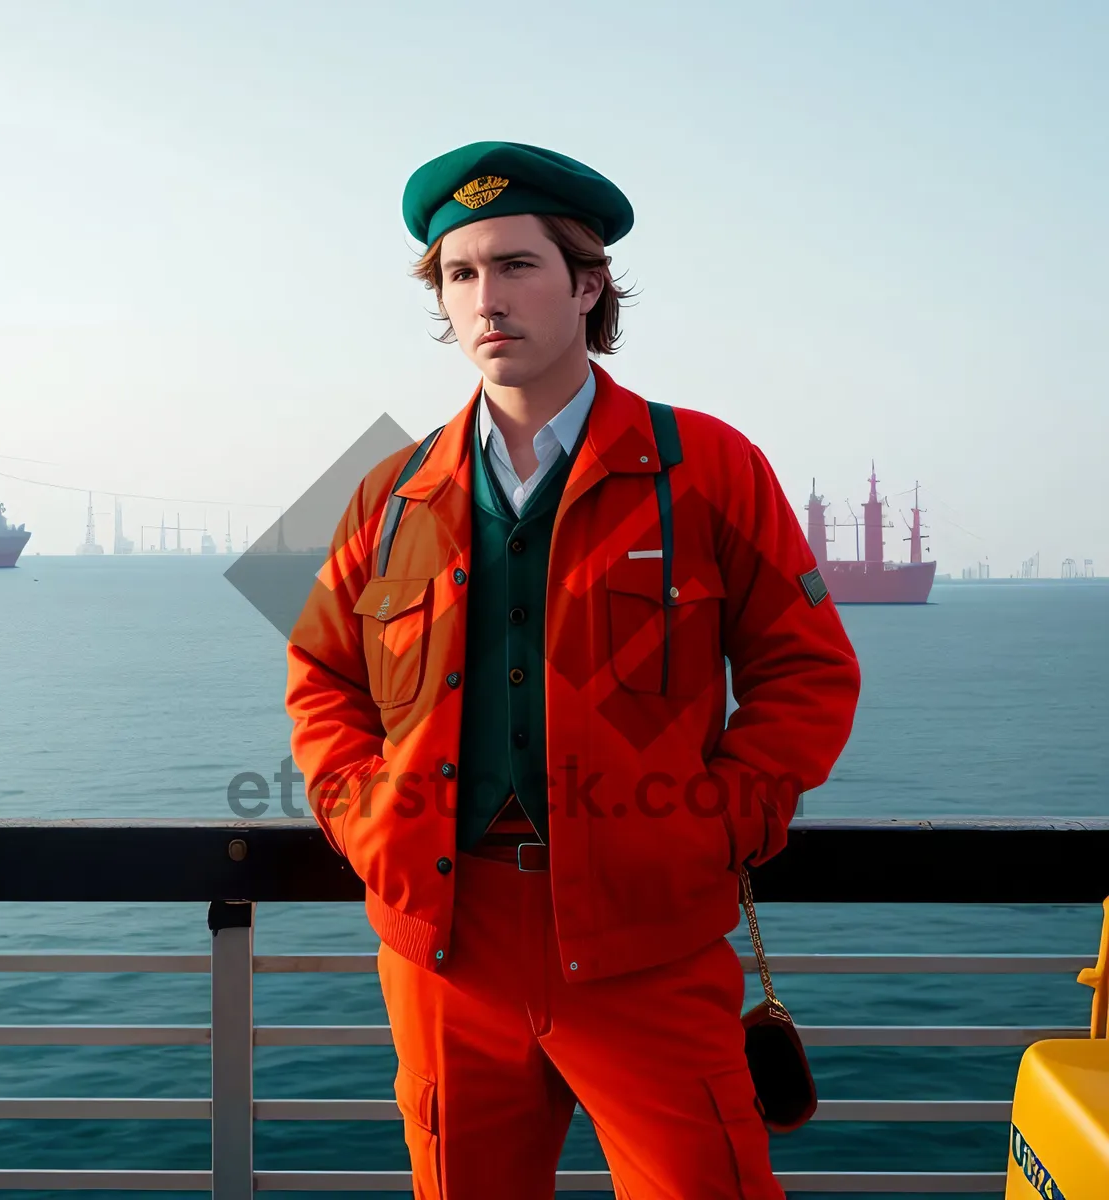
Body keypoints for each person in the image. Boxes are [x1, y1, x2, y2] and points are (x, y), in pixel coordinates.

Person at [286, 140, 862, 1199]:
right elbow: (322, 678)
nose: (484, 299)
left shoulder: (707, 466)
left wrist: (722, 818)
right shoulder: (390, 493)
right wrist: (362, 817)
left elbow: (807, 668)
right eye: (461, 275)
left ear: (587, 284)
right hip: (444, 950)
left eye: (516, 266)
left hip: (647, 939)